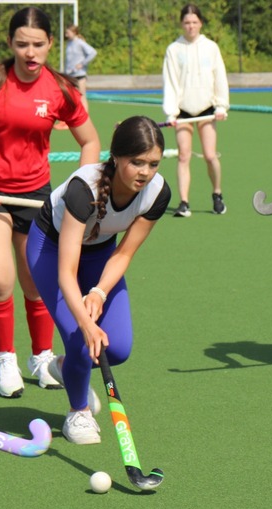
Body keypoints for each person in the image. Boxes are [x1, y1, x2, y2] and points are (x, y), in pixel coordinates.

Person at [0, 6, 100, 399]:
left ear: (52, 43)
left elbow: (90, 141)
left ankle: (42, 356)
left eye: (38, 45)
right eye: (22, 45)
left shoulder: (61, 89)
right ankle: (5, 359)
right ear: (9, 44)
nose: (30, 53)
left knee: (35, 281)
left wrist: (79, 190)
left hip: (36, 196)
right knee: (0, 280)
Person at [27, 116, 170, 444]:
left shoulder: (157, 192)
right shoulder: (83, 189)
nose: (145, 172)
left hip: (102, 254)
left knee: (117, 348)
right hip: (50, 249)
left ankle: (65, 367)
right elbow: (66, 272)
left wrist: (99, 292)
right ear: (117, 157)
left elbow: (124, 254)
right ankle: (78, 413)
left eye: (153, 164)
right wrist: (86, 322)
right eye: (136, 162)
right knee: (83, 339)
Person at [161, 3, 229, 218]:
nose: (190, 26)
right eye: (187, 22)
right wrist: (171, 112)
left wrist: (221, 105)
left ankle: (217, 194)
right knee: (183, 156)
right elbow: (169, 82)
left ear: (200, 23)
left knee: (209, 155)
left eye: (194, 22)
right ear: (182, 24)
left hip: (207, 109)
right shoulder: (174, 49)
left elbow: (220, 77)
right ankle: (184, 202)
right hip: (183, 111)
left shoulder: (211, 47)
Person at [63, 25, 96, 112]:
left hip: (80, 74)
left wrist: (82, 63)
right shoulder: (69, 43)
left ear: (74, 33)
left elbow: (93, 52)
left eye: (68, 33)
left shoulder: (80, 43)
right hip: (69, 75)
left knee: (81, 96)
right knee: (69, 97)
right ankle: (68, 118)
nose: (66, 35)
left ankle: (85, 118)